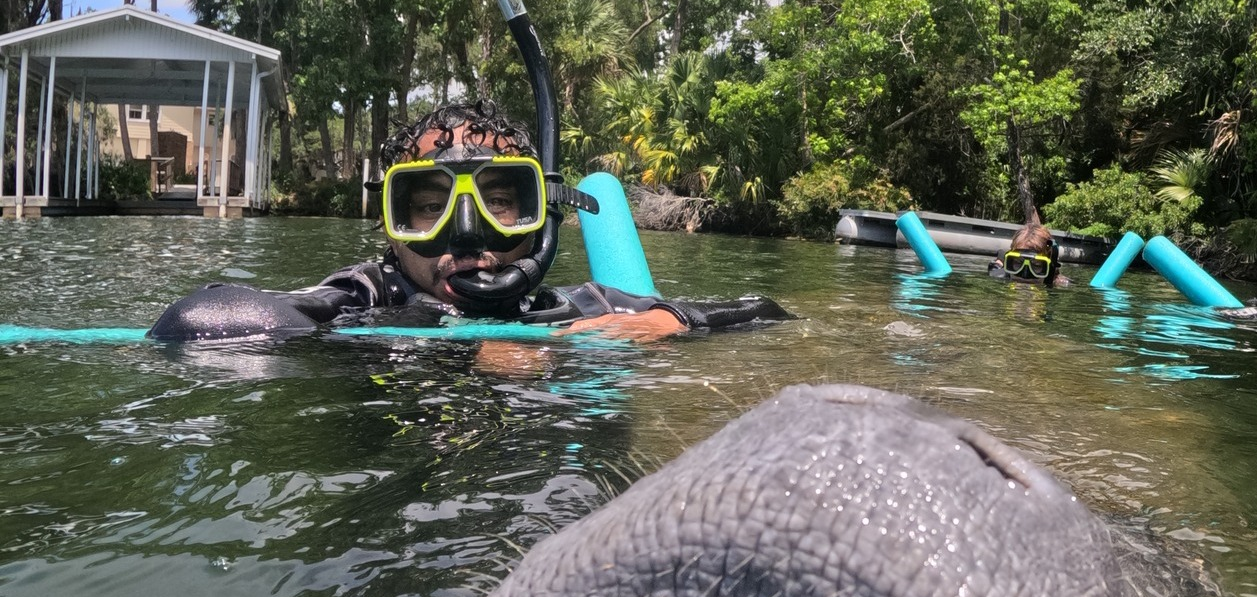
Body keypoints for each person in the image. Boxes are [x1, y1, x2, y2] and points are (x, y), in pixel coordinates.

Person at [146, 100, 788, 343]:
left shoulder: (570, 306)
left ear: (541, 218)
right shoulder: (370, 293)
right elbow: (195, 319)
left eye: (498, 201)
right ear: (391, 227)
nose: (466, 233)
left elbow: (763, 311)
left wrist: (655, 321)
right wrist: (435, 326)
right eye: (427, 206)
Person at [987, 223, 1072, 287]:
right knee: (996, 265)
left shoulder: (1061, 283)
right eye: (1017, 262)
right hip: (1000, 268)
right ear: (1010, 262)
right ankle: (1001, 259)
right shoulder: (997, 275)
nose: (1025, 276)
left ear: (1049, 266)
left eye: (1036, 265)